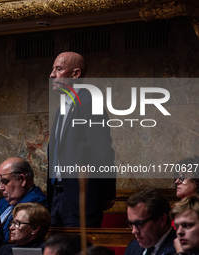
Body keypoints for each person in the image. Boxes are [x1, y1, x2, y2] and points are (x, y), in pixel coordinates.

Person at [47, 51, 116, 227]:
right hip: (56, 197)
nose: (52, 75)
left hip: (81, 199)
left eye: (58, 69)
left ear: (75, 74)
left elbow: (102, 151)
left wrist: (107, 193)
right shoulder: (60, 109)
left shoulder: (90, 103)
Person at [0, 157, 47, 242]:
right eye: (0, 181)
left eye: (5, 181)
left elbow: (12, 236)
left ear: (22, 180)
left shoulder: (36, 202)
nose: (0, 188)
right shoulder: (1, 203)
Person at [124, 189, 176, 255]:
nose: (134, 231)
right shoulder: (133, 247)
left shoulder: (181, 249)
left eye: (139, 224)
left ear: (161, 219)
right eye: (131, 224)